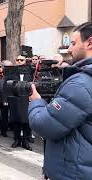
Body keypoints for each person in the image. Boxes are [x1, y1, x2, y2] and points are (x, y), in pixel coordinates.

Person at [28, 22, 92, 179]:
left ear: (90, 42)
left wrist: (36, 102)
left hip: (74, 173)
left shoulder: (81, 84)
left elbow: (46, 125)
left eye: (73, 43)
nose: (69, 49)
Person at [8, 55, 32, 151]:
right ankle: (17, 139)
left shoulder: (30, 73)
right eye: (17, 60)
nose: (19, 61)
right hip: (15, 99)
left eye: (21, 60)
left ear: (25, 61)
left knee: (26, 121)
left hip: (26, 99)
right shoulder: (12, 72)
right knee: (16, 120)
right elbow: (8, 85)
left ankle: (25, 141)